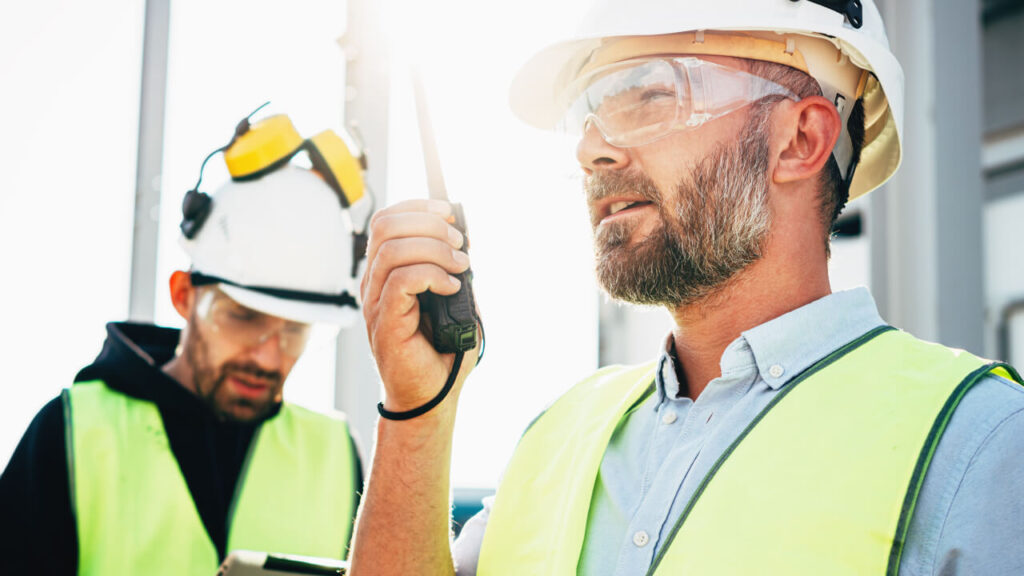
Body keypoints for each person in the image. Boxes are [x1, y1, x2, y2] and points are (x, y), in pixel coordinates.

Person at [349, 0, 1024, 574]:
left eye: (649, 94)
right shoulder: (558, 439)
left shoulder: (981, 445)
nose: (591, 149)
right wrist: (418, 413)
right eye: (589, 111)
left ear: (800, 139)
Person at [0, 112, 370, 574]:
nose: (267, 356)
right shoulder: (72, 431)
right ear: (182, 295)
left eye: (295, 330)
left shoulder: (335, 455)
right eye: (243, 318)